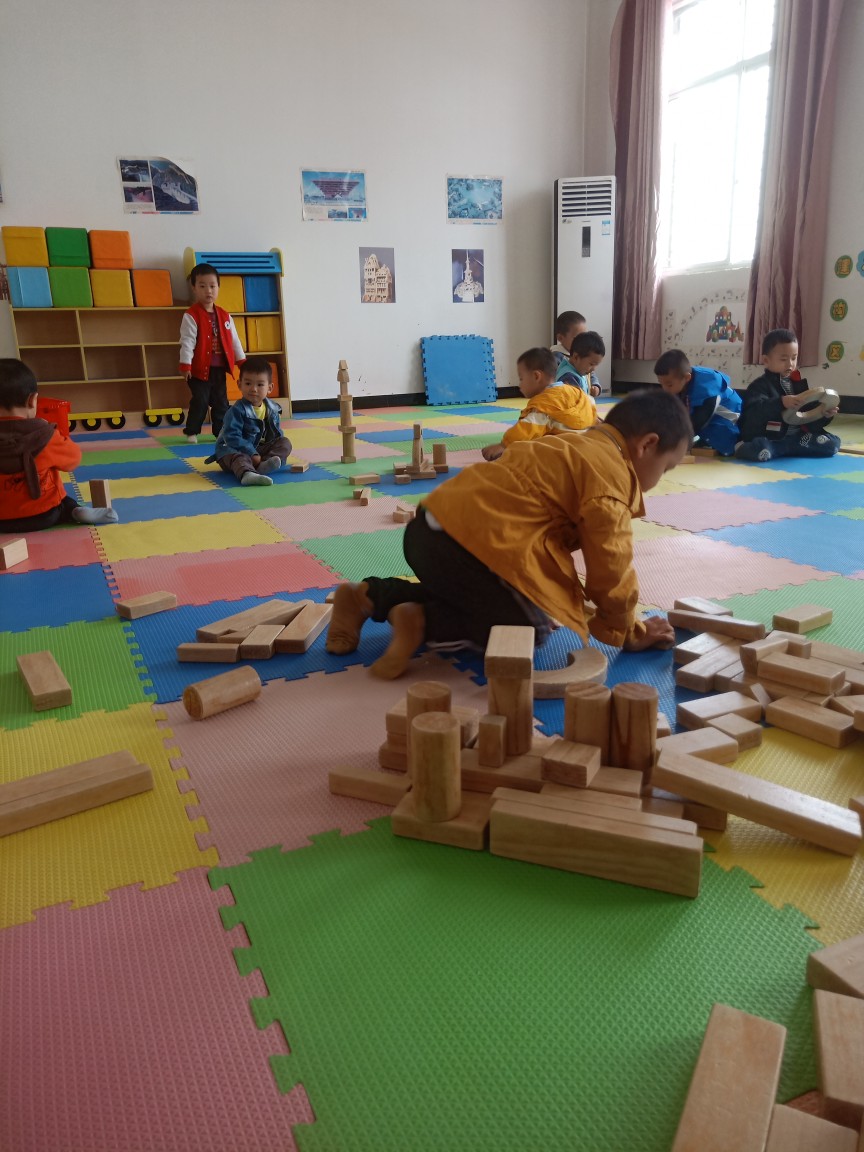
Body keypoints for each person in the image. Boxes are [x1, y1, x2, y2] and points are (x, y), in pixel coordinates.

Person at [326, 388, 692, 679]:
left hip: (429, 528)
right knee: (528, 630)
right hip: (478, 547)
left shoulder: (572, 443)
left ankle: (368, 596)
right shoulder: (610, 481)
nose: (659, 480)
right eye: (666, 468)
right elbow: (611, 567)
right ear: (647, 445)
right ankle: (423, 622)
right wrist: (630, 632)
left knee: (482, 594)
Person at [0, 358, 119, 531]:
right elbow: (73, 459)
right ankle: (75, 511)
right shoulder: (44, 435)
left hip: (1, 522)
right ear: (32, 400)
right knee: (63, 502)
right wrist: (56, 434)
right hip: (44, 515)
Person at [735, 329, 840, 461]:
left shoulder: (798, 385)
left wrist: (824, 415)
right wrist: (781, 402)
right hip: (772, 438)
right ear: (766, 360)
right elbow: (754, 414)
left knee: (832, 444)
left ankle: (788, 449)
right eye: (783, 359)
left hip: (798, 438)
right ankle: (749, 448)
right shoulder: (759, 386)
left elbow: (808, 420)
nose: (790, 363)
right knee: (761, 448)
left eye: (794, 358)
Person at [481, 347, 597, 462]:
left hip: (567, 455)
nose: (520, 385)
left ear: (536, 376)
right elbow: (591, 402)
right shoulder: (575, 391)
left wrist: (504, 445)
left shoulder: (544, 403)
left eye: (521, 379)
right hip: (590, 446)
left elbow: (527, 427)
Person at [179, 263, 245, 445]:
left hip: (218, 369)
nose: (208, 290)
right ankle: (192, 431)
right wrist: (185, 364)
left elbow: (234, 340)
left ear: (218, 287)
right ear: (194, 288)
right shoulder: (191, 315)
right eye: (202, 286)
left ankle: (220, 432)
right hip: (198, 370)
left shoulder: (224, 315)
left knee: (221, 402)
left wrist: (242, 361)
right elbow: (187, 341)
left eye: (212, 286)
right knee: (200, 401)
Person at [205, 358, 292, 486]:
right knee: (238, 457)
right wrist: (251, 452)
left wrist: (269, 451)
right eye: (248, 383)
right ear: (239, 384)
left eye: (260, 385)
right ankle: (247, 474)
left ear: (269, 388)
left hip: (257, 450)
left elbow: (276, 435)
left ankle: (264, 465)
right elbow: (231, 437)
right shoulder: (236, 411)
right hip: (232, 449)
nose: (253, 389)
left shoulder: (273, 409)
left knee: (285, 443)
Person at [654, 349, 742, 456]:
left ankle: (739, 446)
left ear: (687, 378)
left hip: (730, 416)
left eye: (669, 385)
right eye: (661, 384)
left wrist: (679, 440)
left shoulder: (706, 384)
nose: (665, 389)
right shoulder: (682, 381)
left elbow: (701, 418)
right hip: (707, 416)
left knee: (717, 440)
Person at [556, 330, 604, 400]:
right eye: (591, 364)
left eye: (596, 365)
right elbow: (575, 403)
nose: (594, 369)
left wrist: (596, 387)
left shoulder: (578, 371)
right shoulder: (568, 377)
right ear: (576, 357)